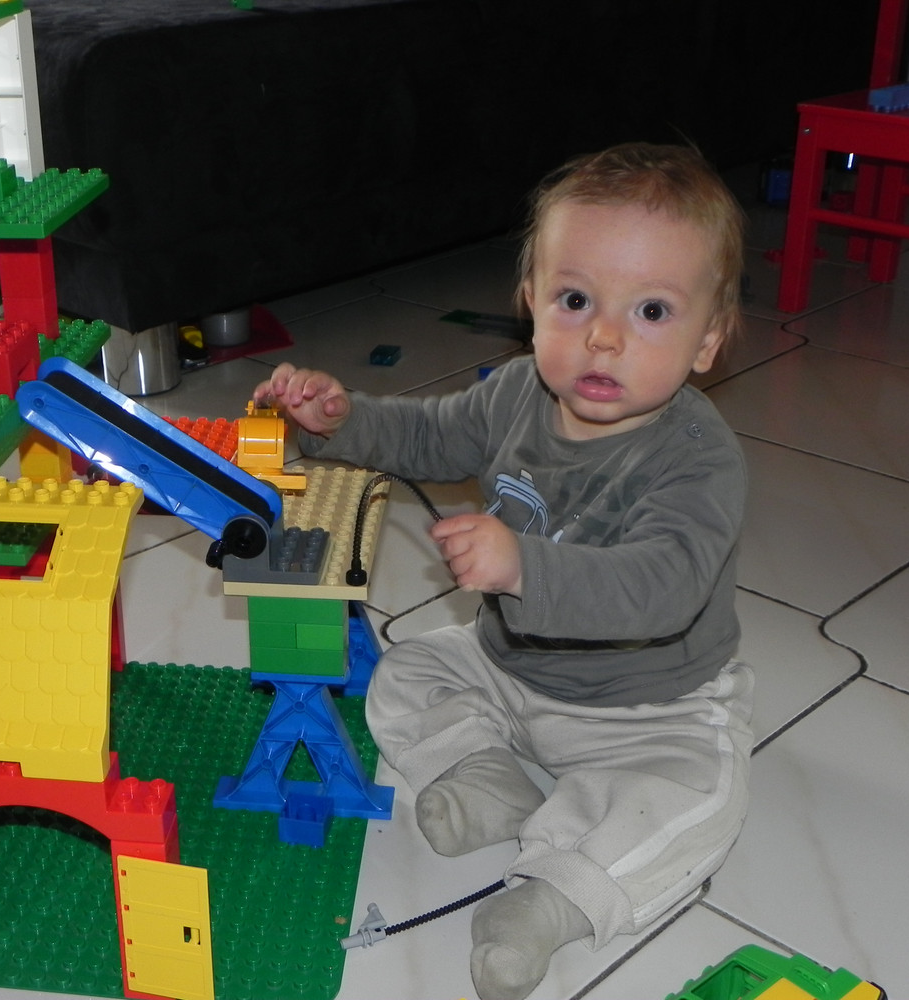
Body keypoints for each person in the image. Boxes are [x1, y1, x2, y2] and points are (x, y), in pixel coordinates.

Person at [254, 142, 754, 1000]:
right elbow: (426, 437)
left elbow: (662, 588)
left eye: (651, 311)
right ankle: (482, 776)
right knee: (403, 672)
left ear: (707, 339)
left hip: (646, 706)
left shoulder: (697, 459)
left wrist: (524, 566)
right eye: (574, 299)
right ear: (529, 302)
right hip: (507, 665)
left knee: (696, 797)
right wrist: (339, 422)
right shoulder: (515, 394)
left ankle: (550, 900)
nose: (602, 336)